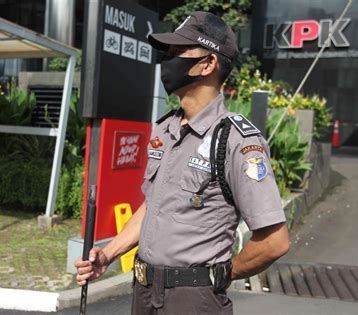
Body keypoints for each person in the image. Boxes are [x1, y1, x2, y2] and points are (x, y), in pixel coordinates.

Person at [75, 11, 289, 314]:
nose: (168, 60)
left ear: (208, 63)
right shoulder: (165, 129)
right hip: (144, 293)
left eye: (178, 52)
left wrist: (220, 276)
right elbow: (153, 206)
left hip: (194, 301)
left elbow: (274, 242)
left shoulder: (237, 141)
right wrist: (107, 256)